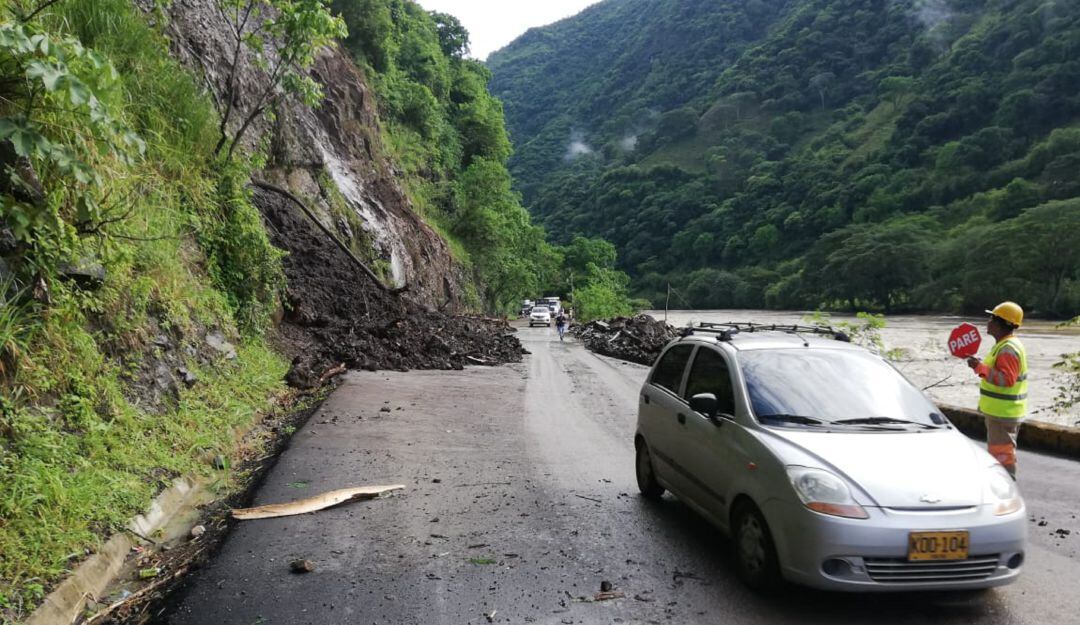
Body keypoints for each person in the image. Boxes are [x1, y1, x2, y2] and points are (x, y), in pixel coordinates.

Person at [966, 301, 1028, 478]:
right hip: (1001, 412)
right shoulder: (1004, 345)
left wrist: (980, 367)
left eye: (992, 318)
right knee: (999, 455)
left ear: (1002, 323)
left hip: (1003, 413)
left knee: (1002, 458)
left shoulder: (1008, 348)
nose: (988, 322)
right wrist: (980, 365)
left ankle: (1006, 491)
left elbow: (1006, 379)